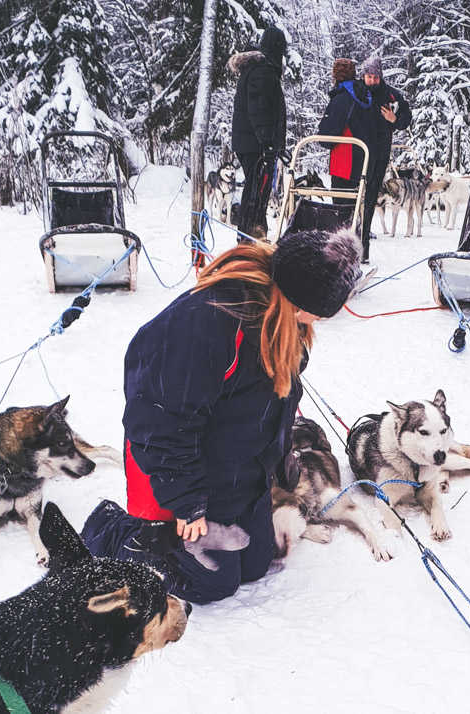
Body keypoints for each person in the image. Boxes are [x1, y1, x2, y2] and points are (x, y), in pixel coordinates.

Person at [81, 229, 362, 603]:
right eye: (323, 310)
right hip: (175, 466)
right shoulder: (207, 325)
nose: (322, 320)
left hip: (235, 470)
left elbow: (271, 404)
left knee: (257, 562)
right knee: (213, 582)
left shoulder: (286, 321)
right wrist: (187, 504)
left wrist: (280, 463)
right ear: (299, 298)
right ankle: (117, 531)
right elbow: (160, 420)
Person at [230, 25, 288, 238]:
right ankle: (248, 237)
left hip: (252, 143)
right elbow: (260, 110)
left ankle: (254, 234)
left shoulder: (259, 69)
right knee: (256, 193)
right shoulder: (263, 71)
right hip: (256, 145)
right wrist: (268, 143)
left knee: (257, 192)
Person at [359, 55, 412, 263]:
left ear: (380, 77)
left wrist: (394, 120)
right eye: (368, 76)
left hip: (380, 153)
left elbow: (406, 118)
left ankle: (364, 248)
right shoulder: (358, 90)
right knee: (355, 198)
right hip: (359, 152)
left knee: (372, 197)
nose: (371, 81)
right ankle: (352, 239)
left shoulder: (391, 95)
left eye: (375, 77)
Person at [318, 58, 374, 211]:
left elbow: (328, 133)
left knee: (341, 203)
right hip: (362, 155)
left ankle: (342, 232)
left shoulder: (341, 98)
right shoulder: (364, 94)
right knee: (356, 202)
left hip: (344, 158)